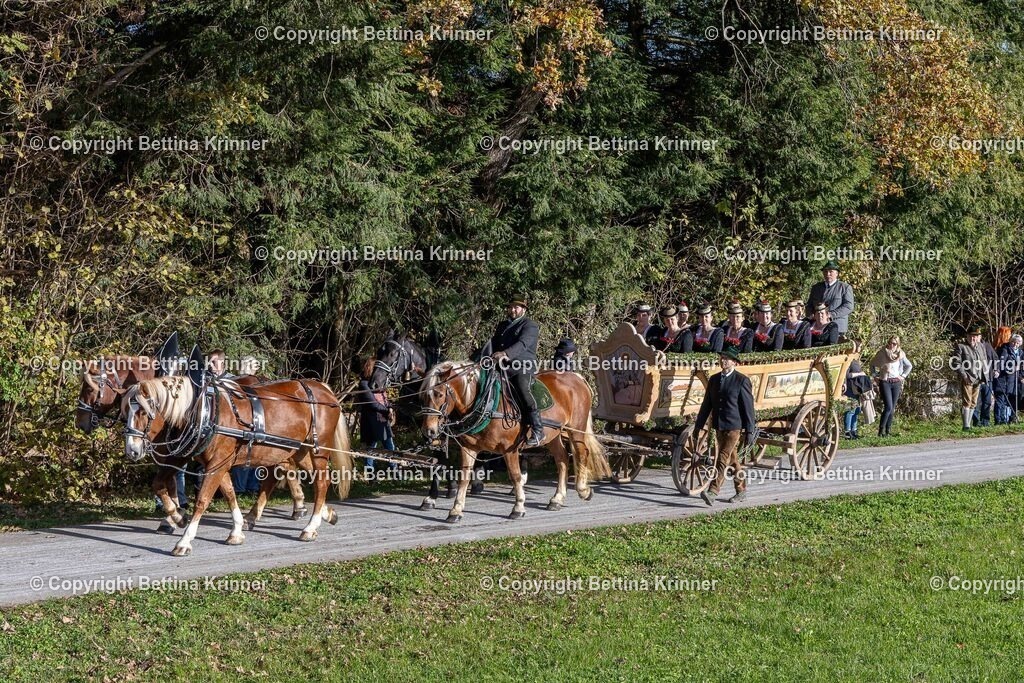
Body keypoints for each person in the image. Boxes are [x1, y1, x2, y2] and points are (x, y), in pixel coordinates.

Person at [692, 348, 757, 505]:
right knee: (733, 460)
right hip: (719, 426)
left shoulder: (741, 380)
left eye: (727, 358)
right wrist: (698, 425)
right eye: (722, 358)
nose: (723, 360)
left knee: (722, 458)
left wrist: (749, 430)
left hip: (734, 426)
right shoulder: (714, 379)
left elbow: (748, 408)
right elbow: (707, 404)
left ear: (734, 362)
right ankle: (741, 491)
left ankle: (713, 491)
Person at [490, 297, 543, 447]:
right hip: (501, 366)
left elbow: (523, 344)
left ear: (523, 309)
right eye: (511, 307)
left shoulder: (530, 325)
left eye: (516, 307)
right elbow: (493, 343)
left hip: (522, 366)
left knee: (522, 386)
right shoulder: (502, 325)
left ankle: (538, 429)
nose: (513, 310)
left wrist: (506, 354)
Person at [870, 336, 912, 437]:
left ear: (898, 345)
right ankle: (881, 431)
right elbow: (872, 364)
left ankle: (888, 431)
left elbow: (909, 366)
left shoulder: (901, 354)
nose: (892, 345)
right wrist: (875, 375)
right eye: (890, 343)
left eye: (894, 344)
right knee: (888, 407)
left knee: (892, 408)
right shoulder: (882, 353)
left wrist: (903, 376)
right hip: (885, 381)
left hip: (896, 382)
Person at [357, 358, 396, 468]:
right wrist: (387, 410)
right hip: (371, 422)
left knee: (390, 448)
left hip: (383, 422)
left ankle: (395, 472)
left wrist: (390, 408)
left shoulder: (378, 383)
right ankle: (370, 477)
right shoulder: (363, 384)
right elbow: (373, 404)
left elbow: (385, 401)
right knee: (370, 450)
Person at [955, 326, 991, 431]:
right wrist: (964, 376)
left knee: (974, 402)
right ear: (967, 336)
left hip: (978, 378)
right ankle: (965, 426)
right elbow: (956, 363)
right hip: (968, 378)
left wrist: (985, 377)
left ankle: (969, 425)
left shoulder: (981, 346)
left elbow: (984, 361)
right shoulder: (961, 347)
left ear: (978, 337)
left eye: (975, 336)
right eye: (971, 336)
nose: (973, 338)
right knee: (967, 401)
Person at [807, 260, 855, 336]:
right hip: (817, 327)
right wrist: (811, 314)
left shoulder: (845, 287)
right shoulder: (816, 288)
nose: (828, 274)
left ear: (837, 273)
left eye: (831, 271)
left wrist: (831, 314)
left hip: (837, 327)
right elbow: (809, 305)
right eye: (825, 271)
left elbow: (849, 306)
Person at [995, 333, 1023, 424]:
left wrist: (1020, 376)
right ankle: (999, 421)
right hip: (1003, 379)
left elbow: (1021, 367)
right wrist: (1012, 369)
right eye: (1014, 342)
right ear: (1010, 342)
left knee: (1007, 401)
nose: (1015, 345)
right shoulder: (1005, 350)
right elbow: (1001, 364)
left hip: (1012, 381)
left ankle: (1006, 419)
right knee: (1001, 400)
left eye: (1018, 343)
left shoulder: (1020, 352)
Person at [973, 333, 1000, 427]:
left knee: (987, 401)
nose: (976, 338)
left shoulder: (987, 346)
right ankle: (976, 422)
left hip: (988, 379)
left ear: (980, 337)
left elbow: (996, 359)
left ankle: (985, 422)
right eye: (975, 336)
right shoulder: (971, 347)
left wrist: (996, 369)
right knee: (976, 402)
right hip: (976, 379)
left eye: (978, 336)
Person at [843, 360, 872, 439]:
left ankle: (853, 431)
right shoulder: (848, 360)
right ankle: (847, 432)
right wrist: (860, 374)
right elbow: (847, 375)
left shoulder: (855, 358)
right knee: (850, 411)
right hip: (850, 390)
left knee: (856, 411)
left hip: (856, 389)